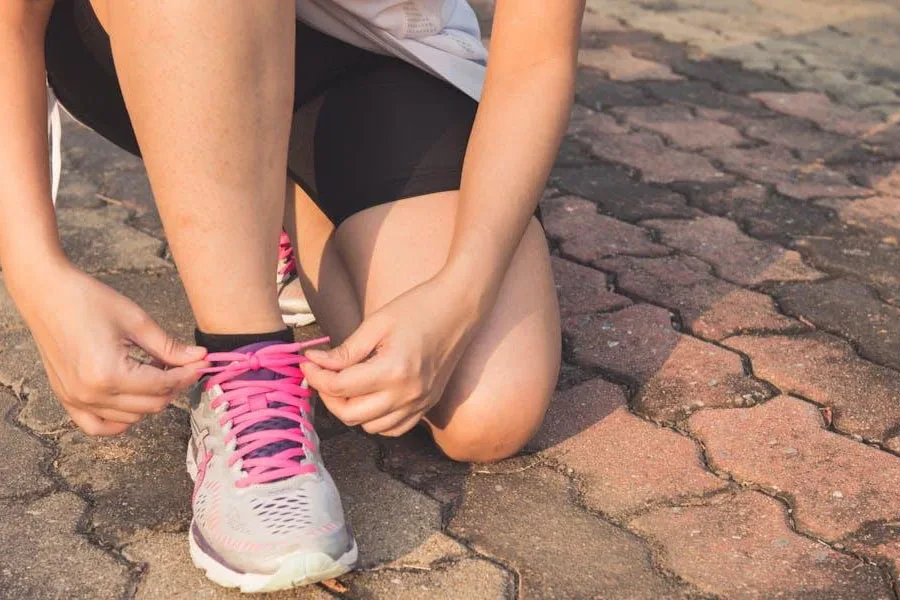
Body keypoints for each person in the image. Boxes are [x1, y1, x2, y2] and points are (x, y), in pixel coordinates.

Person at [1, 0, 581, 592]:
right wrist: (36, 272)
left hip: (374, 52)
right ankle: (243, 365)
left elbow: (538, 57)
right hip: (159, 28)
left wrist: (460, 294)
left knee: (484, 409)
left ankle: (264, 195)